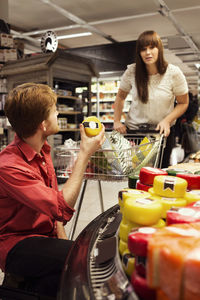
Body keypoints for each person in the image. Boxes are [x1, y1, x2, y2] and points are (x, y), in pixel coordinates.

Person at [0, 83, 105, 298]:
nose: (58, 112)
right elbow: (61, 206)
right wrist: (84, 154)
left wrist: (63, 241)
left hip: (42, 237)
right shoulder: (9, 166)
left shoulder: (43, 149)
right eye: (54, 110)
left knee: (59, 280)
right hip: (16, 244)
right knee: (81, 259)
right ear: (43, 125)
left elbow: (53, 211)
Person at [114, 30, 189, 168]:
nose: (148, 52)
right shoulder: (132, 71)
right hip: (135, 133)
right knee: (135, 176)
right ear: (139, 53)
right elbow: (120, 96)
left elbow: (183, 103)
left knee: (159, 175)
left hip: (161, 134)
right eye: (143, 49)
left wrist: (167, 120)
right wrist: (117, 120)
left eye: (152, 47)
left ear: (159, 49)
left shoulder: (173, 73)